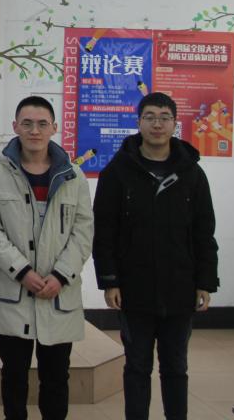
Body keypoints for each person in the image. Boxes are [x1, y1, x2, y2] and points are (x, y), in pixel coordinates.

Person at [93, 92, 218, 420]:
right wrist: (109, 280)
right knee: (137, 367)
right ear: (139, 123)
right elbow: (104, 232)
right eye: (150, 117)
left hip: (180, 288)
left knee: (176, 367)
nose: (157, 124)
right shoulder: (117, 172)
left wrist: (205, 282)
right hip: (134, 288)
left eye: (164, 117)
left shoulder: (192, 173)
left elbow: (204, 232)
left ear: (174, 124)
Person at [0, 96, 93, 420]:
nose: (35, 130)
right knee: (13, 376)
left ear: (54, 128)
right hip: (13, 292)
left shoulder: (74, 177)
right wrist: (23, 272)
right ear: (15, 126)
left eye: (42, 124)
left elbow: (83, 232)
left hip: (59, 293)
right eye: (27, 124)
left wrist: (61, 275)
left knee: (56, 378)